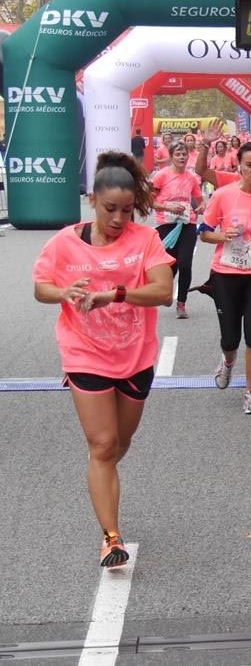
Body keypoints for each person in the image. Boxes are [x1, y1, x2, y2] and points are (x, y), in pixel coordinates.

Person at [33, 152, 175, 567]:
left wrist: (113, 293)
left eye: (127, 211)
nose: (118, 219)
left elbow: (163, 291)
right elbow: (42, 287)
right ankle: (111, 538)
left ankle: (102, 472)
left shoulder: (144, 239)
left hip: (135, 355)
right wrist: (64, 293)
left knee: (119, 444)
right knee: (103, 442)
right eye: (110, 209)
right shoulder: (64, 242)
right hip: (85, 353)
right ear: (92, 200)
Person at [197, 142, 251, 414]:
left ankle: (250, 393)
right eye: (249, 165)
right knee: (231, 338)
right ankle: (228, 360)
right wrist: (223, 236)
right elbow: (204, 232)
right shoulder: (222, 195)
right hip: (226, 274)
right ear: (239, 166)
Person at [150, 141, 204, 319]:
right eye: (178, 154)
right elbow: (149, 201)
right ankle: (163, 292)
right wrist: (168, 208)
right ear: (171, 157)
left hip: (187, 224)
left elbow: (199, 199)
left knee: (185, 263)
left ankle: (181, 303)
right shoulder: (161, 176)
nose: (182, 157)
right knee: (169, 264)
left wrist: (201, 207)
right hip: (166, 225)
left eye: (184, 154)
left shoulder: (192, 178)